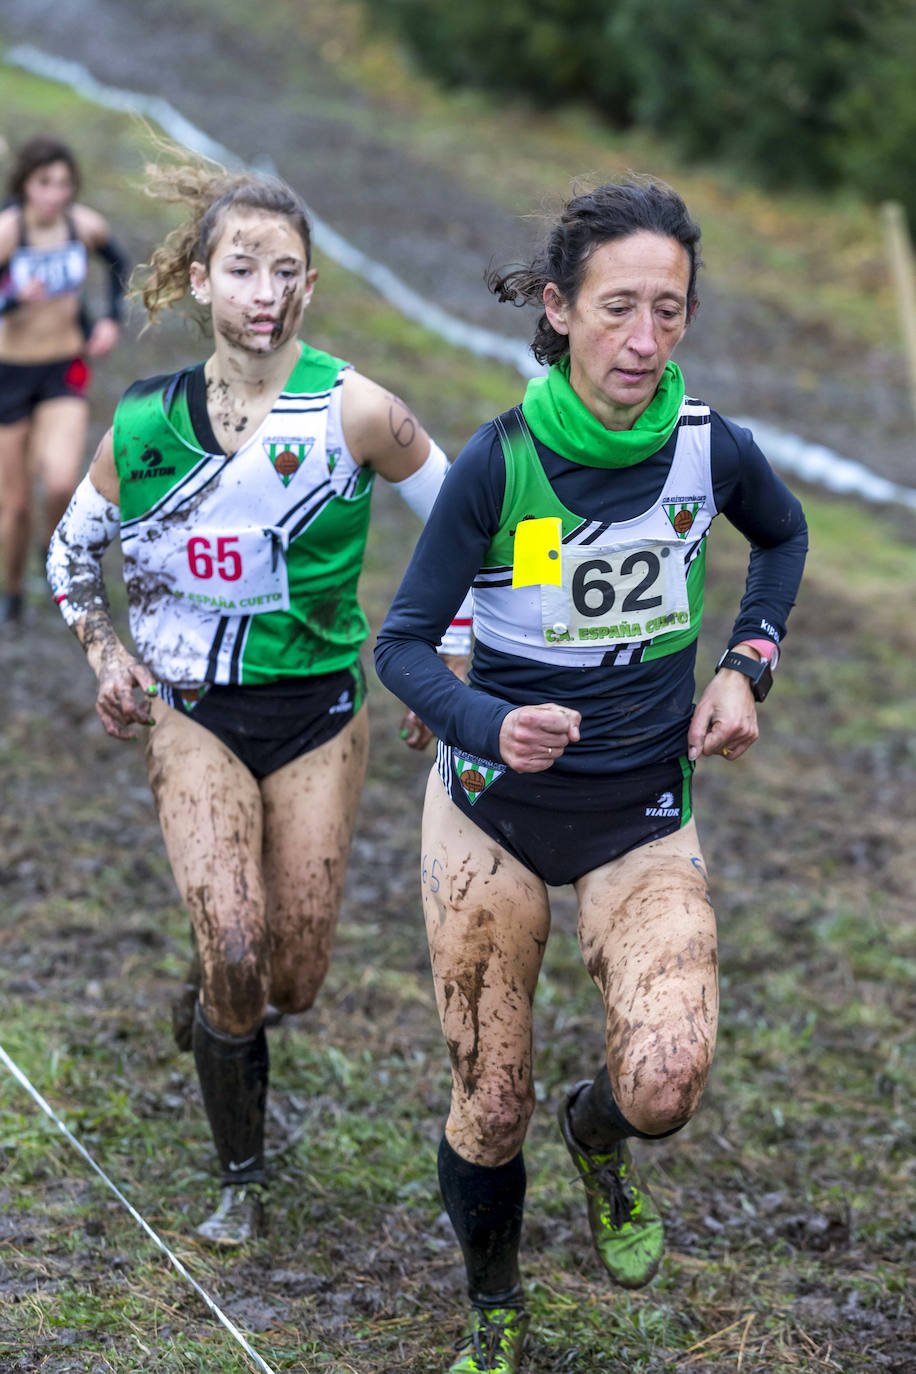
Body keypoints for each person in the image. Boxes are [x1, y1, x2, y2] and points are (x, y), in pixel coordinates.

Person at [375, 178, 808, 1372]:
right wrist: (481, 724)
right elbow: (401, 644)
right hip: (492, 818)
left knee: (665, 1081)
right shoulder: (496, 462)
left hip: (639, 816)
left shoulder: (711, 449)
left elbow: (782, 536)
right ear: (560, 310)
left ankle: (598, 1134)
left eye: (669, 312)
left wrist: (744, 668)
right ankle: (494, 1309)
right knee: (488, 1100)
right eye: (619, 309)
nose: (644, 340)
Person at [47, 158, 469, 1246]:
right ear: (199, 280)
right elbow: (69, 553)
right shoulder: (142, 427)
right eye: (242, 268)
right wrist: (104, 650)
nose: (265, 291)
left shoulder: (357, 408)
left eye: (286, 272)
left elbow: (473, 514)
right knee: (235, 944)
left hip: (320, 715)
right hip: (190, 712)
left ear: (310, 288)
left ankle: (213, 1007)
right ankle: (240, 1176)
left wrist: (450, 654)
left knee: (291, 975)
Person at [0, 136, 129, 623]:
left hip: (64, 369)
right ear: (25, 185)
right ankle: (12, 590)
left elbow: (119, 263)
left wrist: (109, 320)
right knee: (12, 507)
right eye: (44, 183)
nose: (55, 194)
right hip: (9, 373)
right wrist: (13, 300)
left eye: (64, 184)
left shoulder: (83, 224)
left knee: (59, 481)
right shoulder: (10, 232)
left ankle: (53, 560)